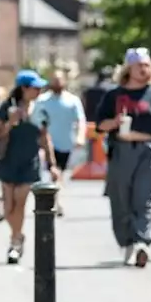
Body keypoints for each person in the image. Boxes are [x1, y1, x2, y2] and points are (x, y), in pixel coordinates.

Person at [95, 48, 151, 268]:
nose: (145, 69)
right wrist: (113, 123)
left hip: (149, 150)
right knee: (121, 200)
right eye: (140, 65)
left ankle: (141, 242)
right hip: (122, 149)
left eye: (148, 65)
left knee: (144, 199)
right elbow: (100, 125)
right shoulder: (113, 95)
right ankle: (127, 242)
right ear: (129, 68)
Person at [0, 70, 57, 264]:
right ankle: (18, 235)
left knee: (20, 203)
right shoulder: (8, 107)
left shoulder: (41, 109)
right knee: (7, 209)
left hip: (30, 163)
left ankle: (15, 242)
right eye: (35, 88)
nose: (39, 91)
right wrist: (11, 123)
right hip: (9, 161)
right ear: (24, 88)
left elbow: (45, 138)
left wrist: (52, 164)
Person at [35, 71, 85, 216]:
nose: (57, 83)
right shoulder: (42, 100)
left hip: (65, 143)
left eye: (59, 80)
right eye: (54, 80)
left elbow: (81, 120)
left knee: (59, 172)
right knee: (52, 171)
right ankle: (54, 201)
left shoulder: (72, 100)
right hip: (46, 143)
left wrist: (80, 136)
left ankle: (56, 199)